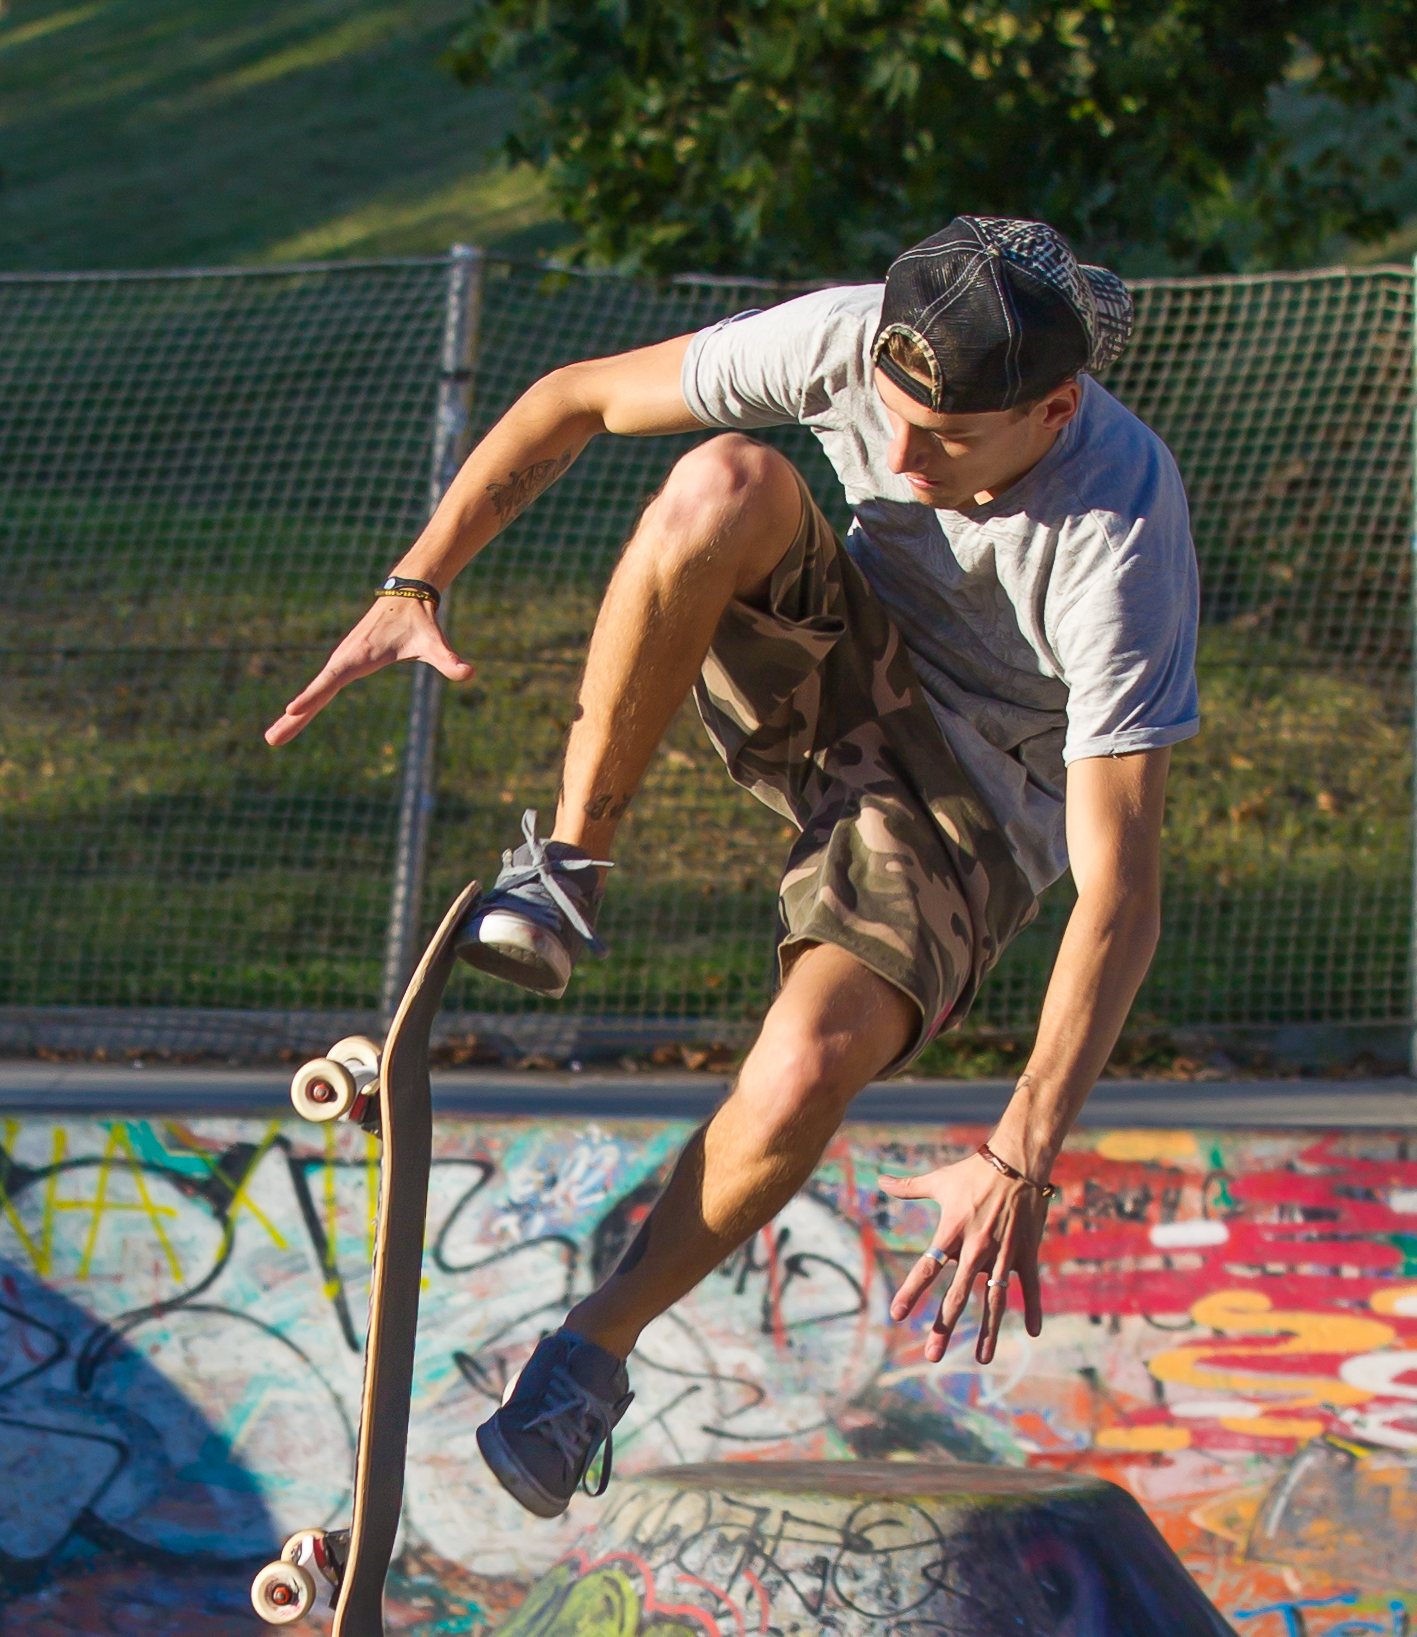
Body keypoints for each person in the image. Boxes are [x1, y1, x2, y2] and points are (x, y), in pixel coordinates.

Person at [265, 215, 1199, 1521]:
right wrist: (417, 580)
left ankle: (590, 1349)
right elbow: (567, 400)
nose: (897, 453)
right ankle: (562, 868)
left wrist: (1021, 1147)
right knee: (724, 480)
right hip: (829, 665)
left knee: (810, 1059)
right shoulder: (839, 340)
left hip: (964, 813)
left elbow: (1122, 891)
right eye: (886, 415)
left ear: (1052, 408)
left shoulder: (1120, 530)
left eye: (944, 442)